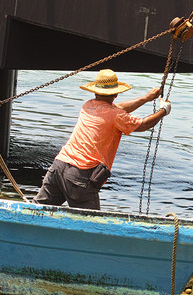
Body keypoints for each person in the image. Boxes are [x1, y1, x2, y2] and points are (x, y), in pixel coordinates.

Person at [34, 69, 170, 210]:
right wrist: (163, 111)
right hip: (80, 174)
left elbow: (118, 108)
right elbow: (143, 124)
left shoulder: (88, 106)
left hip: (59, 166)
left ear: (95, 92)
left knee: (37, 210)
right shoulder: (116, 115)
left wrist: (145, 99)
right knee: (91, 222)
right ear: (116, 93)